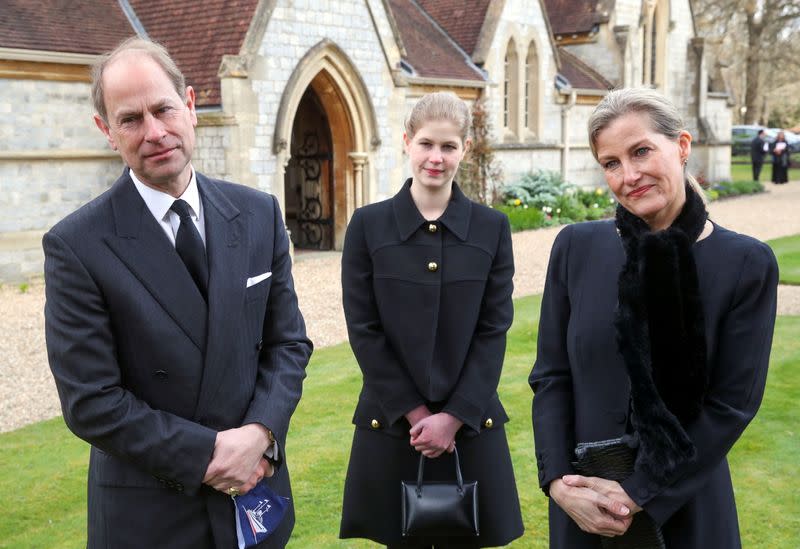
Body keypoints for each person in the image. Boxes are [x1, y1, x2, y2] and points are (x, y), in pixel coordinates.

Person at [43, 37, 312, 549]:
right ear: (106, 131)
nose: (154, 132)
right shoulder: (77, 245)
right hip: (152, 518)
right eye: (130, 119)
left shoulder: (258, 214)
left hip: (255, 498)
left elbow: (288, 345)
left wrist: (261, 436)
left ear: (189, 105)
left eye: (164, 108)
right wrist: (209, 455)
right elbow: (91, 401)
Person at [529, 87, 778, 548]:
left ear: (682, 146)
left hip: (686, 507)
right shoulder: (576, 248)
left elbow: (731, 405)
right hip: (584, 508)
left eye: (641, 151)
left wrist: (638, 492)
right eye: (611, 163)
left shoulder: (746, 263)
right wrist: (558, 480)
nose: (629, 175)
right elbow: (551, 376)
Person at [339, 92, 524, 548]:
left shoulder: (492, 227)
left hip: (471, 429)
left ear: (464, 148)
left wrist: (454, 416)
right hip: (394, 427)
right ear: (406, 142)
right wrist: (418, 414)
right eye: (426, 144)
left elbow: (492, 330)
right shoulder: (367, 226)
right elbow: (364, 330)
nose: (435, 158)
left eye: (448, 146)